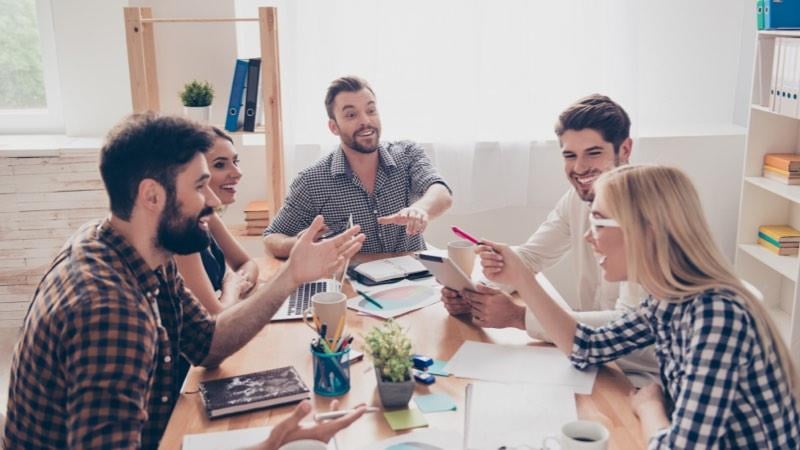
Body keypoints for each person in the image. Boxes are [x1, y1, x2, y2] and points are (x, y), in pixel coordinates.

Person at [2, 114, 366, 450]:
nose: (211, 201)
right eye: (200, 186)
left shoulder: (134, 250)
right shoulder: (111, 313)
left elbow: (208, 343)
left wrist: (290, 276)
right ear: (152, 196)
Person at [479, 165, 800, 448]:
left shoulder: (716, 315)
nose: (590, 238)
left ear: (649, 232)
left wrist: (649, 406)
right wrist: (522, 277)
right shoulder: (666, 299)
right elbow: (587, 347)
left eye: (601, 224)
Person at [441, 94, 658, 383]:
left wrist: (518, 317)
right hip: (592, 359)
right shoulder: (577, 199)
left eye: (594, 153)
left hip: (638, 375)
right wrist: (477, 295)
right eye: (570, 155)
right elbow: (530, 257)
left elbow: (625, 329)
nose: (579, 168)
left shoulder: (648, 217)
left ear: (625, 149)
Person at [263, 75, 453, 257]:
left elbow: (441, 193)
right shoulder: (312, 181)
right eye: (351, 114)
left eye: (371, 110)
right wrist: (300, 244)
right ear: (333, 127)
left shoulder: (407, 153)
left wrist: (421, 209)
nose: (365, 121)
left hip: (413, 282)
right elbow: (272, 238)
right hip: (352, 286)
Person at [175, 127, 257, 315]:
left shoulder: (207, 214)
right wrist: (231, 287)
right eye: (220, 165)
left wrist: (232, 284)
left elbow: (247, 264)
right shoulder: (180, 229)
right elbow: (215, 316)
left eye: (236, 161)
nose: (237, 173)